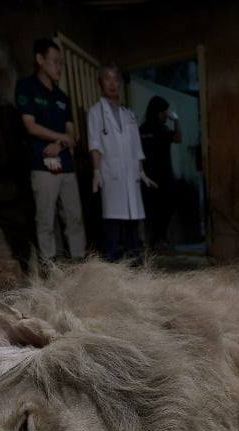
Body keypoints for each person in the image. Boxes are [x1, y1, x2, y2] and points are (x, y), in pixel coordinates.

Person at [15, 37, 86, 273]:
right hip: (42, 165)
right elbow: (30, 126)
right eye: (55, 62)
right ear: (40, 59)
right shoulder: (26, 87)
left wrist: (60, 143)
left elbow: (72, 135)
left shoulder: (62, 97)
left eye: (62, 63)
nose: (60, 68)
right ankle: (49, 268)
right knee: (45, 219)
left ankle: (79, 264)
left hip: (66, 165)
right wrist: (61, 138)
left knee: (74, 217)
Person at [87, 64, 153, 263]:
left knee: (133, 222)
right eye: (108, 79)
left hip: (131, 175)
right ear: (101, 83)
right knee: (113, 224)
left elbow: (136, 147)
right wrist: (96, 171)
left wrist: (141, 172)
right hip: (112, 175)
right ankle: (112, 267)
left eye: (116, 79)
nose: (112, 84)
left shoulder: (129, 114)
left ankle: (135, 263)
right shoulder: (95, 112)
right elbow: (95, 144)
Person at [138, 95, 182, 248]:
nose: (166, 115)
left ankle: (152, 241)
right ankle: (160, 239)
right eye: (165, 112)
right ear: (159, 112)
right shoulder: (160, 128)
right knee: (165, 208)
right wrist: (176, 120)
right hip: (163, 176)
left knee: (151, 210)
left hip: (146, 177)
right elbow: (178, 138)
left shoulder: (142, 128)